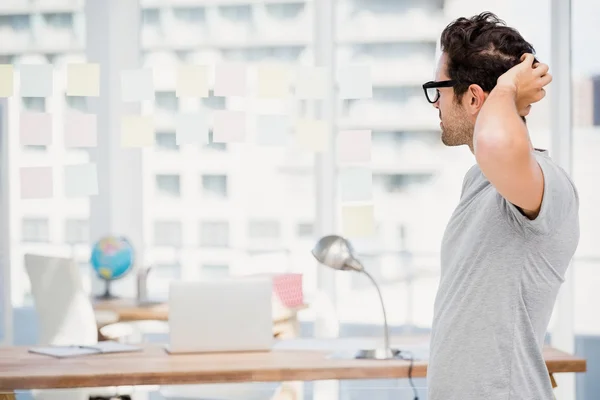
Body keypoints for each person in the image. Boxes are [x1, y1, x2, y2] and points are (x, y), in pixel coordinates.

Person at [423, 12, 580, 400]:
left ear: (473, 97)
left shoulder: (546, 182)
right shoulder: (480, 180)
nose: (435, 104)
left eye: (438, 90)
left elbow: (495, 143)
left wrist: (507, 88)